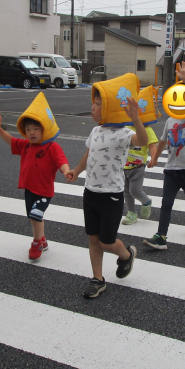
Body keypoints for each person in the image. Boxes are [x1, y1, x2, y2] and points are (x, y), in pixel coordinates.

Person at [68, 88, 147, 299]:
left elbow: (143, 140)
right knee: (93, 239)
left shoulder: (124, 133)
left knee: (106, 242)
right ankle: (98, 279)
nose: (91, 107)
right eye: (93, 103)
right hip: (90, 192)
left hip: (111, 195)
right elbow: (88, 154)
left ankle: (126, 254)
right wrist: (76, 170)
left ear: (109, 109)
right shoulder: (95, 131)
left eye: (96, 104)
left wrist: (136, 119)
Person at [0, 109, 71, 260]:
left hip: (44, 191)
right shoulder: (26, 145)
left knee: (36, 215)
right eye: (28, 130)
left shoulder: (51, 147)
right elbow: (11, 140)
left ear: (44, 130)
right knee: (33, 216)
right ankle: (42, 239)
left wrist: (66, 171)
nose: (32, 133)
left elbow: (62, 161)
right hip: (29, 189)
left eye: (36, 129)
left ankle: (37, 243)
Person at [144, 63, 185, 249]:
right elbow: (163, 141)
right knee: (166, 202)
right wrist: (155, 158)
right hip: (171, 168)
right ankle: (161, 235)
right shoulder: (170, 120)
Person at [122, 123, 158, 225]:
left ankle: (146, 202)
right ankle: (131, 213)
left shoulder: (147, 129)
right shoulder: (125, 127)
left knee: (134, 191)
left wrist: (154, 158)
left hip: (138, 167)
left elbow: (152, 145)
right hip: (123, 166)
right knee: (126, 192)